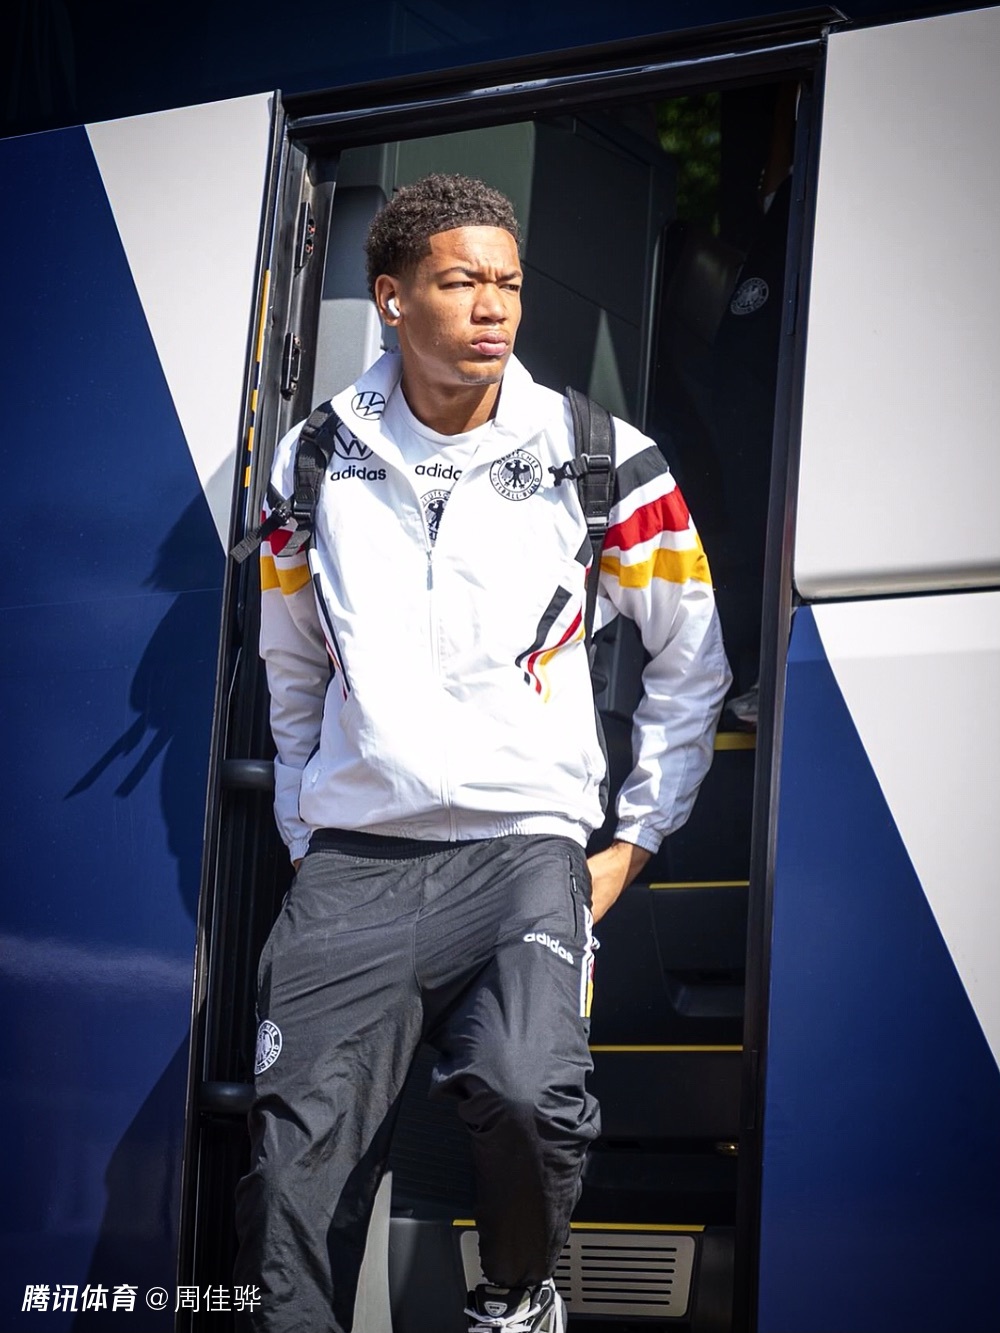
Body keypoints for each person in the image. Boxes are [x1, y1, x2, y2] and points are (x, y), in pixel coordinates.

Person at [233, 173, 731, 1333]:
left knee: (525, 1095)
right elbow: (291, 664)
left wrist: (636, 838)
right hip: (353, 864)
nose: (494, 306)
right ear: (391, 298)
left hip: (522, 853)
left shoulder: (599, 453)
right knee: (291, 1171)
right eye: (462, 282)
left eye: (506, 283)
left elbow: (691, 654)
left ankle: (515, 1298)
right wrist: (308, 823)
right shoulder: (312, 461)